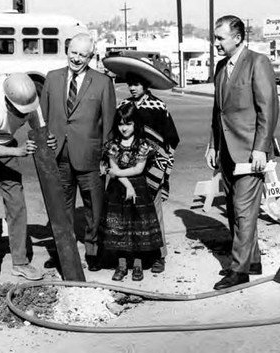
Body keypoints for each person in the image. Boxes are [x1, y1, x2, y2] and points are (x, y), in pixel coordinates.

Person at [206, 15, 279, 290]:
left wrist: (261, 147)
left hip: (250, 151)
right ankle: (254, 260)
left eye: (220, 38)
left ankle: (239, 270)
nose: (216, 43)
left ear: (237, 38)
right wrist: (212, 144)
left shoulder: (258, 63)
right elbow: (218, 111)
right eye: (215, 38)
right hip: (226, 150)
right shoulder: (221, 67)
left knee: (244, 210)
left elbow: (268, 109)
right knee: (237, 211)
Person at [0, 73, 55, 288]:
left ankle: (20, 262)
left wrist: (47, 138)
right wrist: (18, 151)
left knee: (17, 205)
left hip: (8, 146)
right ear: (7, 100)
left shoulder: (30, 102)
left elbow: (39, 129)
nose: (22, 114)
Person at [40, 33, 117, 271]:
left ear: (91, 57)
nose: (76, 58)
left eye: (83, 55)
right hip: (58, 154)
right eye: (73, 52)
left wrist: (105, 156)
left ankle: (93, 250)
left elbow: (109, 123)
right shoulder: (52, 78)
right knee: (60, 207)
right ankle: (64, 250)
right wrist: (46, 138)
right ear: (67, 51)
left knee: (94, 206)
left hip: (90, 156)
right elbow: (42, 116)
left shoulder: (103, 82)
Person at [118, 73, 180, 273]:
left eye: (136, 84)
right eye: (130, 84)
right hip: (128, 167)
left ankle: (158, 256)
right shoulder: (124, 105)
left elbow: (170, 138)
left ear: (145, 85)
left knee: (154, 212)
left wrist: (160, 162)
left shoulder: (158, 106)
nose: (132, 88)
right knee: (130, 213)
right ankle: (132, 255)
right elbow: (116, 133)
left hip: (153, 167)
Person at [100, 103, 162, 282]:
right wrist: (127, 185)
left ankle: (137, 264)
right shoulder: (113, 145)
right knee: (119, 228)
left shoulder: (142, 144)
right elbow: (113, 165)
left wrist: (117, 173)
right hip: (118, 189)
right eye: (120, 124)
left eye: (128, 123)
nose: (124, 128)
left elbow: (138, 169)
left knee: (137, 228)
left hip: (139, 189)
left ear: (136, 124)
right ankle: (121, 265)